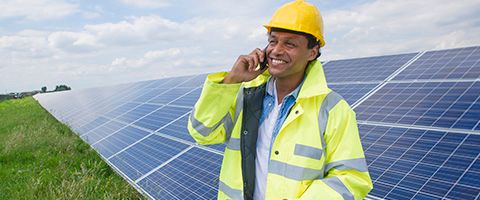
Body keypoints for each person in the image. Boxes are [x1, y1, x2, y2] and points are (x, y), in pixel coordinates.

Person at [188, 0, 373, 199]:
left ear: (312, 52)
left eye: (290, 44)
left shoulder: (333, 109)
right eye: (273, 41)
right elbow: (202, 133)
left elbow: (351, 178)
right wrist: (231, 80)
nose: (276, 50)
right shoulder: (245, 95)